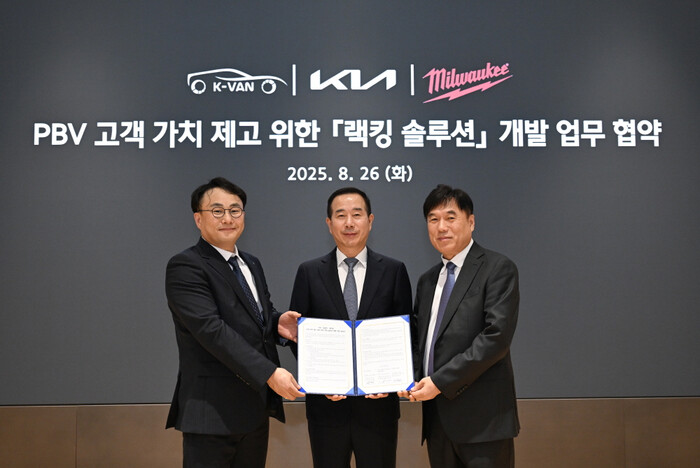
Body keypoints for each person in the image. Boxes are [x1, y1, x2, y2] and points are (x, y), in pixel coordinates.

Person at [165, 177, 303, 468]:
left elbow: (253, 314)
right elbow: (212, 331)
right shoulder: (186, 265)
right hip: (211, 414)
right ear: (198, 219)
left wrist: (277, 323)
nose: (228, 218)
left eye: (235, 210)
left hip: (254, 410)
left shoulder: (251, 263)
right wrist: (269, 373)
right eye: (217, 211)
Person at [287, 187, 412, 468]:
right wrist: (320, 379)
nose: (349, 223)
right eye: (340, 215)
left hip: (378, 409)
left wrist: (391, 380)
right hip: (326, 409)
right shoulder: (309, 272)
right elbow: (299, 336)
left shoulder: (394, 271)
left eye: (357, 214)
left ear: (370, 220)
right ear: (329, 223)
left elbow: (405, 335)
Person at [400, 184, 520, 468]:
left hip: (484, 424)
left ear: (471, 221)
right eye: (433, 219)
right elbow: (420, 342)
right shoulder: (427, 281)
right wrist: (406, 377)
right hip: (438, 423)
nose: (441, 227)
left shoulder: (497, 268)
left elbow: (495, 338)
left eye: (450, 217)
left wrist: (439, 382)